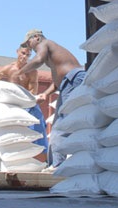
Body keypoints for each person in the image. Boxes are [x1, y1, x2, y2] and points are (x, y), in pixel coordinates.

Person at [12, 29, 86, 167]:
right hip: (67, 84)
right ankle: (55, 164)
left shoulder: (45, 44)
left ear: (37, 37)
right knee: (59, 125)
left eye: (29, 43)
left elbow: (38, 60)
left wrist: (20, 71)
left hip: (73, 81)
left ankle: (56, 165)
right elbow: (57, 81)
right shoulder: (53, 57)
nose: (29, 47)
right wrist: (46, 93)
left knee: (62, 125)